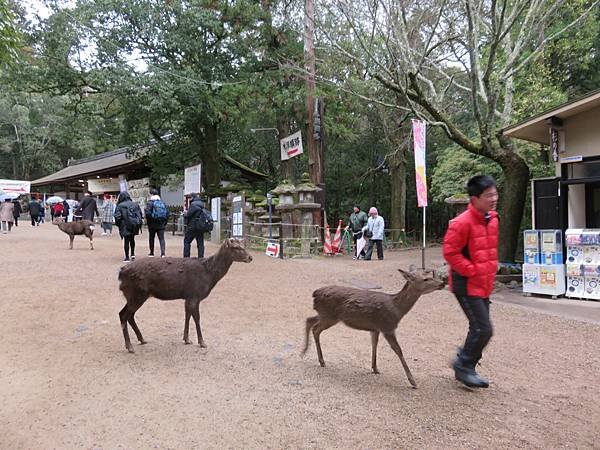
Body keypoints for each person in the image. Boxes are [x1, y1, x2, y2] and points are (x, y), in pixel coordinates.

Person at [442, 175, 499, 389]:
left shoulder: (493, 219)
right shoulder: (461, 223)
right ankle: (463, 364)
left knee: (478, 327)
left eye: (495, 193)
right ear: (474, 198)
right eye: (488, 195)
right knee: (484, 329)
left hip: (483, 283)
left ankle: (466, 364)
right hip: (466, 284)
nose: (493, 199)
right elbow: (450, 252)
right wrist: (472, 270)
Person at [114, 191, 143, 262]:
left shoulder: (120, 205)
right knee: (132, 239)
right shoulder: (135, 204)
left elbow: (117, 216)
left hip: (125, 225)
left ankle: (127, 257)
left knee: (126, 240)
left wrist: (119, 224)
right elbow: (140, 214)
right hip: (134, 224)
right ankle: (132, 254)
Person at [145, 188, 169, 257]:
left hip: (152, 224)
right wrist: (165, 222)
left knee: (151, 238)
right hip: (161, 223)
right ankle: (163, 253)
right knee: (162, 238)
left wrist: (149, 220)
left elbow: (148, 213)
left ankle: (152, 252)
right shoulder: (162, 202)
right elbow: (167, 213)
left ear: (151, 194)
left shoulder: (150, 202)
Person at [183, 194, 207, 258]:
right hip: (200, 226)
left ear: (192, 198)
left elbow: (188, 215)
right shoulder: (202, 204)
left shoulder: (193, 205)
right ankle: (201, 257)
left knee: (187, 241)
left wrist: (184, 214)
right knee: (200, 242)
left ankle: (186, 257)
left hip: (192, 226)